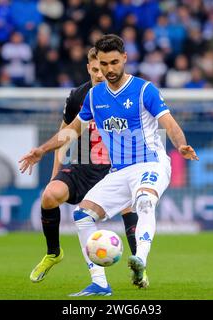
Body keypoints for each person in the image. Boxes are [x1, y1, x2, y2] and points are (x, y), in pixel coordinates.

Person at [19, 34, 198, 296]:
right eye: (104, 64)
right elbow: (71, 131)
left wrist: (181, 145)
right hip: (119, 171)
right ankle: (100, 283)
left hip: (151, 163)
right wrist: (42, 151)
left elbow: (169, 123)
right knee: (82, 215)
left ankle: (141, 261)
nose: (109, 70)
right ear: (97, 64)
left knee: (145, 202)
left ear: (124, 58)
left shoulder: (144, 90)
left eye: (114, 62)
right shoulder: (94, 96)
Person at [29, 47, 139, 283]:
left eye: (105, 68)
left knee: (129, 206)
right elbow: (65, 136)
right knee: (49, 196)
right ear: (89, 68)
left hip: (116, 168)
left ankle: (140, 265)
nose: (101, 74)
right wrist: (54, 174)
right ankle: (53, 253)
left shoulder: (125, 93)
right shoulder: (78, 97)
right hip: (84, 165)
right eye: (96, 69)